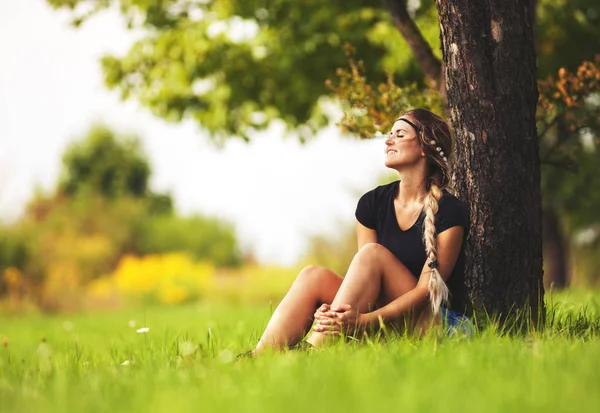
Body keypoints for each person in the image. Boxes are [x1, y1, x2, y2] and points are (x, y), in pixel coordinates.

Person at [253, 108, 472, 354]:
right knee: (313, 275)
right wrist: (335, 311)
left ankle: (311, 354)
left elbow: (426, 291)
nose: (388, 141)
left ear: (424, 147)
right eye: (389, 134)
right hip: (388, 316)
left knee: (373, 254)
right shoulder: (372, 203)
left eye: (400, 134)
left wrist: (363, 321)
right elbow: (363, 282)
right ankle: (259, 357)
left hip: (438, 323)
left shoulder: (450, 210)